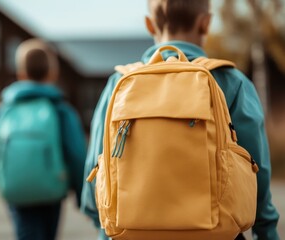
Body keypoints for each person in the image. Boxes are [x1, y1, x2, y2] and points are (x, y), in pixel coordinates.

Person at [81, 0, 280, 240]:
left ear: (149, 25)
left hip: (132, 230)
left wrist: (103, 225)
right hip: (214, 230)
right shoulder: (230, 80)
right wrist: (265, 228)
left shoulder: (118, 83)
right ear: (205, 23)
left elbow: (96, 163)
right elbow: (256, 165)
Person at [0, 39, 87, 240]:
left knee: (26, 233)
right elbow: (76, 153)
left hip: (17, 188)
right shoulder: (61, 110)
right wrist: (81, 191)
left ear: (21, 74)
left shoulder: (6, 108)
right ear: (52, 73)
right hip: (52, 190)